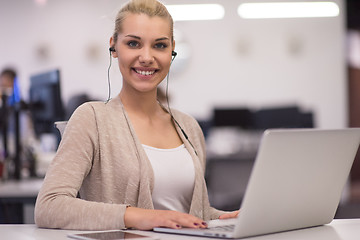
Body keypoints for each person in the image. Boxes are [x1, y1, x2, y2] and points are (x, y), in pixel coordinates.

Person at [34, 0, 238, 231]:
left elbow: (186, 211)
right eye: (133, 43)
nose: (147, 57)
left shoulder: (189, 126)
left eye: (159, 46)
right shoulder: (92, 119)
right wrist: (142, 217)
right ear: (114, 47)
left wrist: (222, 218)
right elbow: (49, 207)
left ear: (172, 49)